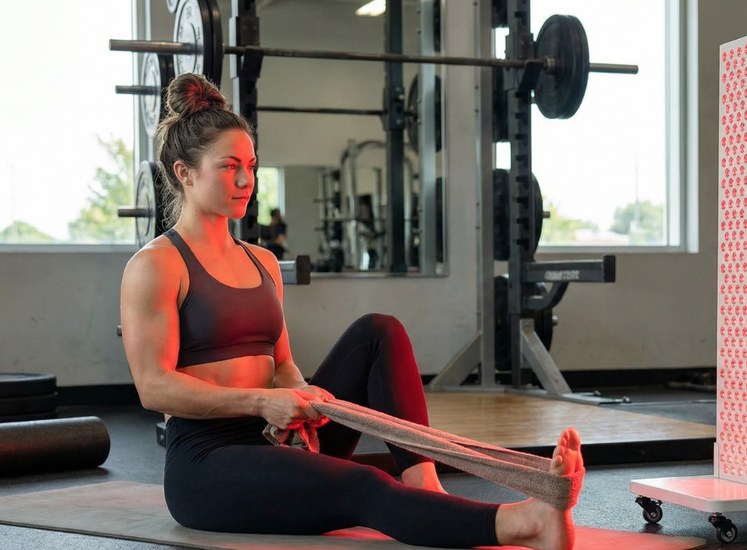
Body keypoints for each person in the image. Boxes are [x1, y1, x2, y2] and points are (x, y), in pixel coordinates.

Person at [119, 72, 585, 550]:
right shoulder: (156, 265)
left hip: (276, 437)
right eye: (228, 166)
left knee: (377, 331)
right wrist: (261, 402)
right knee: (362, 484)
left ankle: (426, 485)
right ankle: (524, 523)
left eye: (252, 165)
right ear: (184, 172)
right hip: (208, 464)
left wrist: (301, 399)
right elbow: (153, 387)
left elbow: (280, 365)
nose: (245, 180)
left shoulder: (261, 263)